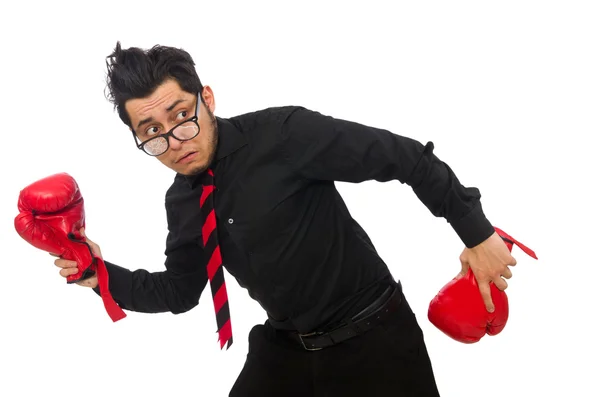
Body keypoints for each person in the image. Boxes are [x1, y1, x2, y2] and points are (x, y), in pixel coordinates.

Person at [53, 42, 517, 396]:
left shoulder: (284, 135)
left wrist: (477, 234)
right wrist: (99, 275)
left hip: (376, 341)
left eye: (181, 115)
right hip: (286, 350)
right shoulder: (182, 201)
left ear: (206, 98)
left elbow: (407, 159)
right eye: (152, 132)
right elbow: (180, 291)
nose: (174, 140)